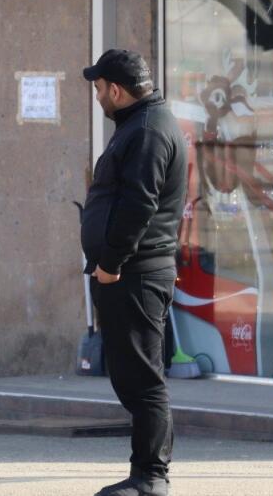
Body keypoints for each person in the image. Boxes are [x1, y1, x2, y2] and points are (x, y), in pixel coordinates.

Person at [80, 49, 186, 496]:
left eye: (100, 89)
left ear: (117, 91)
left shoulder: (145, 131)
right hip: (133, 272)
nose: (98, 96)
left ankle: (150, 477)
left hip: (133, 274)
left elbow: (139, 205)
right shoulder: (142, 125)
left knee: (143, 380)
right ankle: (146, 474)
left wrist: (109, 264)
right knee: (133, 376)